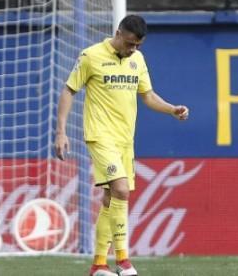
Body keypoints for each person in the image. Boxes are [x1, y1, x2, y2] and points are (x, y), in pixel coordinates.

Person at [54, 15, 189, 276]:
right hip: (100, 136)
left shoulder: (137, 60)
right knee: (121, 190)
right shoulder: (90, 56)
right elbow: (68, 90)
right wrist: (61, 132)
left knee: (110, 199)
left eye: (137, 46)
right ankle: (123, 260)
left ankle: (98, 265)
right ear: (118, 33)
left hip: (125, 140)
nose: (132, 50)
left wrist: (172, 109)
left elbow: (148, 96)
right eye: (129, 44)